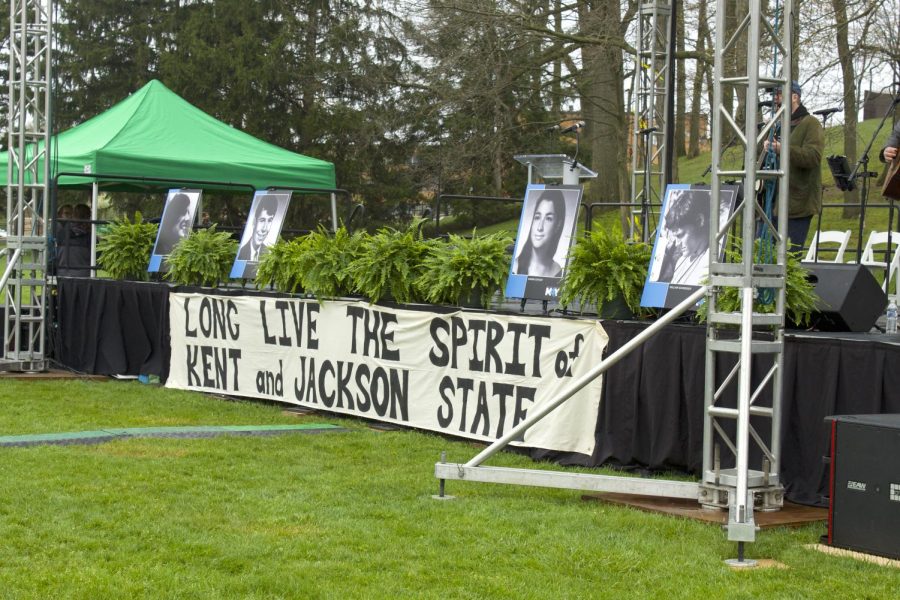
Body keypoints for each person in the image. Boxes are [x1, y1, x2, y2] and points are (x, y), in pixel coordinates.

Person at [762, 80, 824, 253]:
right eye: (774, 95)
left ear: (795, 97)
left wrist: (783, 149)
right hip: (773, 203)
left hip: (798, 204)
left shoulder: (810, 123)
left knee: (789, 259)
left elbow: (813, 157)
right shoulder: (777, 125)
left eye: (779, 94)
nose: (775, 99)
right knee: (764, 253)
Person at [654, 190, 710, 285]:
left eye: (681, 235)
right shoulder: (681, 261)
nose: (677, 243)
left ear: (700, 220)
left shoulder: (711, 262)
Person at [513, 189, 567, 278]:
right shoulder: (515, 268)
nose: (539, 227)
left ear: (558, 225)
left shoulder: (557, 271)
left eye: (548, 219)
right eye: (537, 217)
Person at [238, 194, 279, 262]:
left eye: (269, 221)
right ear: (254, 221)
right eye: (262, 220)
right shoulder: (241, 252)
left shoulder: (269, 253)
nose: (264, 229)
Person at [57, 203, 92, 277]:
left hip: (62, 276)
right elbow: (98, 259)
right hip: (84, 277)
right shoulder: (90, 237)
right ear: (88, 217)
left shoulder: (61, 233)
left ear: (74, 215)